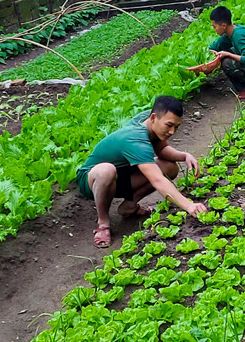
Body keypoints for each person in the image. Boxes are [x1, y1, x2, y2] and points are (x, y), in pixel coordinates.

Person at [77, 95, 205, 248]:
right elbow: (157, 180)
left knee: (169, 167)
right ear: (154, 118)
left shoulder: (148, 120)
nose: (172, 132)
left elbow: (162, 150)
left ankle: (129, 206)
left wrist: (184, 156)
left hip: (122, 176)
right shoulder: (135, 139)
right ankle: (103, 223)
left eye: (176, 127)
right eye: (169, 125)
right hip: (91, 181)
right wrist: (189, 205)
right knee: (106, 170)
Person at [186, 5, 245, 100]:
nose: (214, 29)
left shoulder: (238, 36)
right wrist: (201, 59)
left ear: (223, 25)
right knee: (228, 52)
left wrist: (228, 54)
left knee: (226, 62)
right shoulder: (232, 30)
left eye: (214, 26)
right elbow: (216, 46)